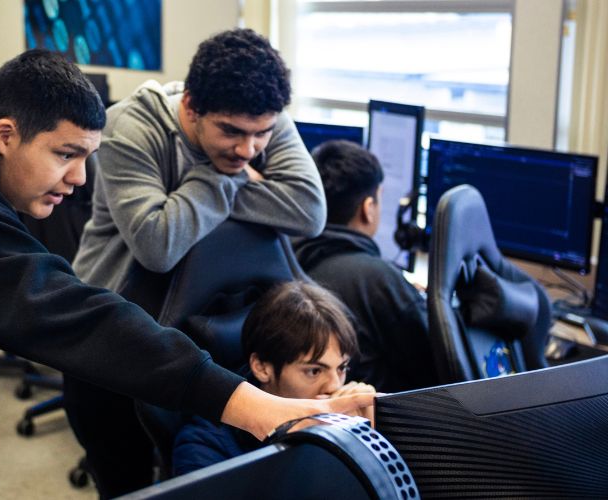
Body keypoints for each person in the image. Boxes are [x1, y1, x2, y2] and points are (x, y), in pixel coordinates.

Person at [0, 49, 373, 495]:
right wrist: (258, 407)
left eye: (87, 157)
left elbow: (307, 208)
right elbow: (66, 311)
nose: (80, 179)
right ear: (5, 134)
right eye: (65, 154)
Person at [69, 29, 327, 496]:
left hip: (200, 332)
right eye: (231, 131)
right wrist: (222, 178)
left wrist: (190, 193)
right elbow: (157, 243)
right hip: (107, 332)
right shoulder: (132, 127)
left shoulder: (265, 118)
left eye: (261, 135)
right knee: (127, 484)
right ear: (190, 106)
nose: (248, 150)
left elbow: (309, 211)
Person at [172, 280, 374, 475]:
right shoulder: (205, 444)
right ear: (261, 368)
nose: (334, 385)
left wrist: (369, 443)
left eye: (341, 368)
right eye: (314, 371)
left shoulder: (350, 418)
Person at [293, 140, 438, 393]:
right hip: (380, 419)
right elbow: (440, 365)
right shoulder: (378, 279)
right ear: (368, 208)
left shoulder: (288, 255)